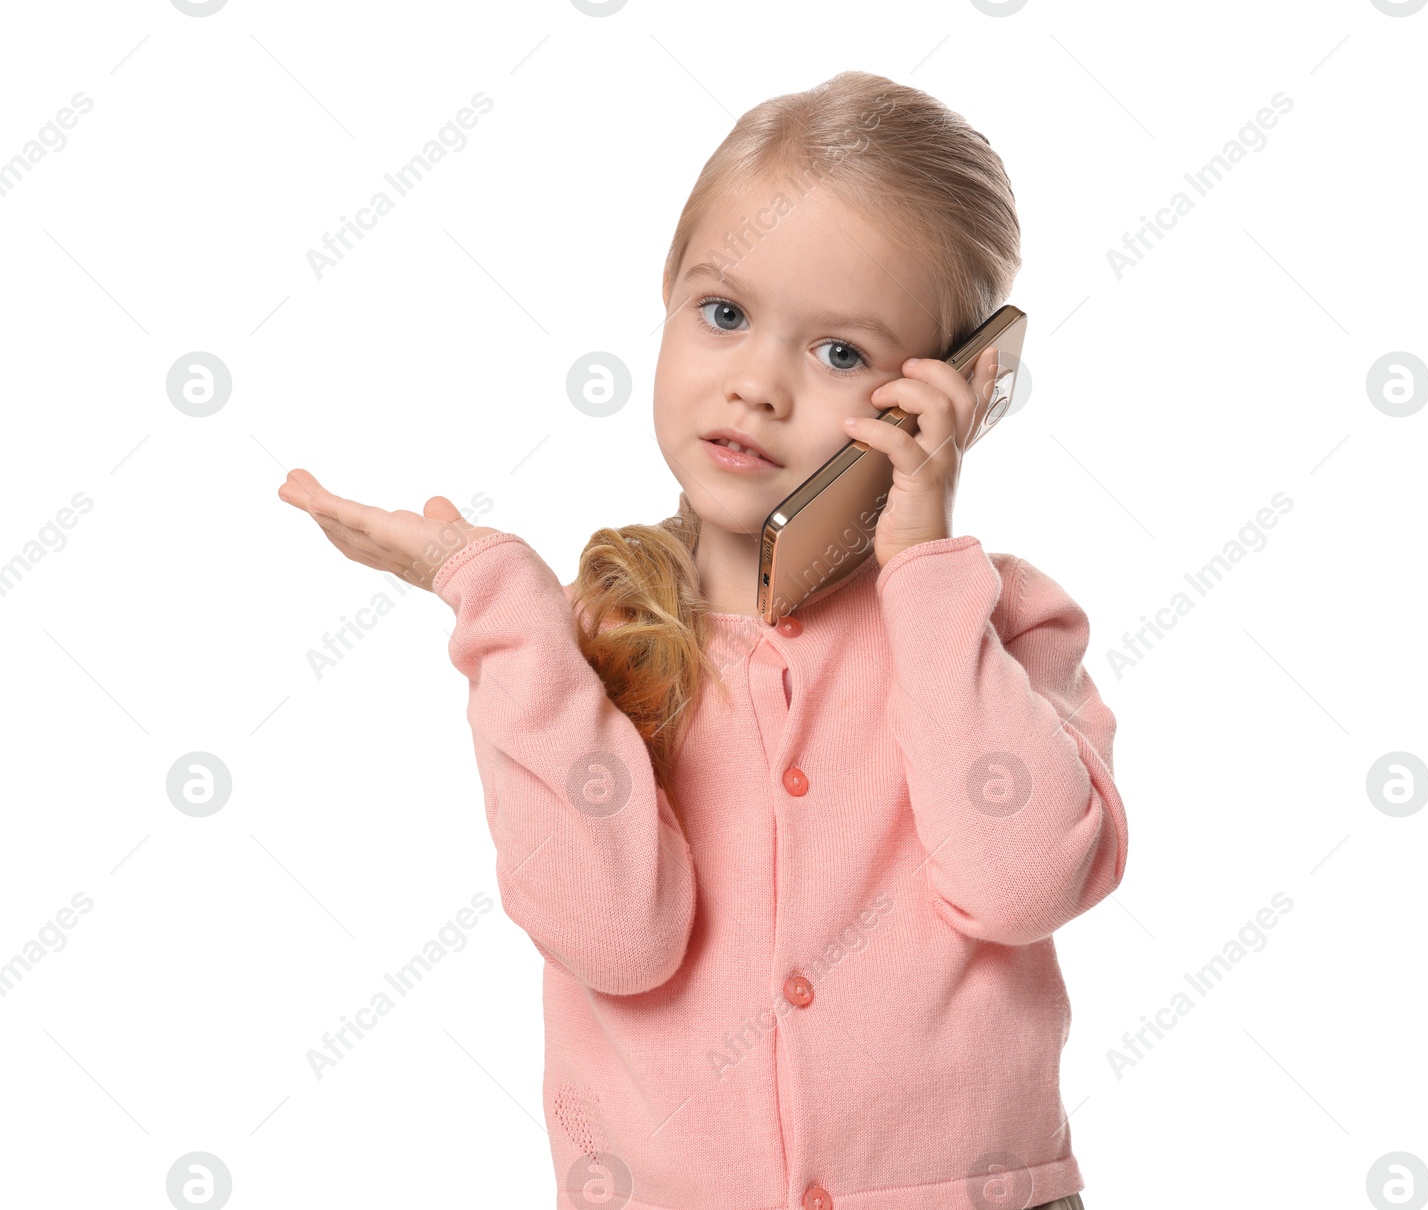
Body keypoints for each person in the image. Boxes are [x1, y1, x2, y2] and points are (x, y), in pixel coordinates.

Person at [279, 69, 1125, 1210]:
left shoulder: (998, 622)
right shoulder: (584, 648)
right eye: (723, 314)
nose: (756, 386)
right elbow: (615, 938)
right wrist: (503, 607)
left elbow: (1022, 882)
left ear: (956, 389)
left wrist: (923, 558)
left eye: (838, 352)